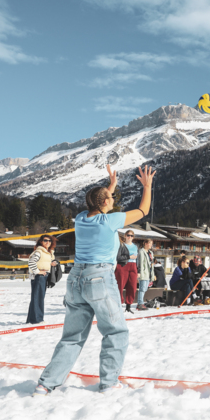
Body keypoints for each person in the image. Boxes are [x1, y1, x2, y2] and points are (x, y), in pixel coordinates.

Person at [33, 164, 154, 396]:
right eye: (111, 197)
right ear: (106, 203)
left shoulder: (80, 218)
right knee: (116, 332)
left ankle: (45, 384)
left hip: (76, 278)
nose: (113, 199)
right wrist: (147, 186)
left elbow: (97, 203)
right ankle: (109, 383)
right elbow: (143, 210)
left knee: (72, 337)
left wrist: (110, 186)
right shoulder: (109, 221)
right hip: (99, 277)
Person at [26, 235, 58, 324]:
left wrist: (51, 263)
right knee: (38, 298)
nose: (48, 242)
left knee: (36, 297)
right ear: (41, 241)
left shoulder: (47, 252)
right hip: (39, 276)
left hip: (43, 276)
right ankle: (37, 319)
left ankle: (31, 319)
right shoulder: (39, 251)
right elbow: (31, 262)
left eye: (50, 240)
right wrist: (38, 272)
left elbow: (44, 262)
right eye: (45, 240)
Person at [115, 230, 139, 313]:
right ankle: (119, 305)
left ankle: (128, 306)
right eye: (128, 235)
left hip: (133, 266)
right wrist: (129, 257)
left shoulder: (135, 246)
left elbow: (137, 258)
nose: (130, 237)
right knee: (120, 285)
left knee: (132, 286)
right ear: (125, 236)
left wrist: (138, 270)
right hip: (123, 265)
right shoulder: (121, 245)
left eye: (131, 236)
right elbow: (118, 257)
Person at [135, 240, 156, 311]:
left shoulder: (150, 253)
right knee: (142, 288)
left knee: (145, 289)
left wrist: (153, 274)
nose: (151, 245)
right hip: (144, 272)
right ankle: (140, 303)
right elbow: (139, 262)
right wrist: (139, 272)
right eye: (150, 243)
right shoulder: (141, 251)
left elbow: (152, 264)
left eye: (151, 244)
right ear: (145, 244)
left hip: (149, 272)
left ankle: (141, 303)